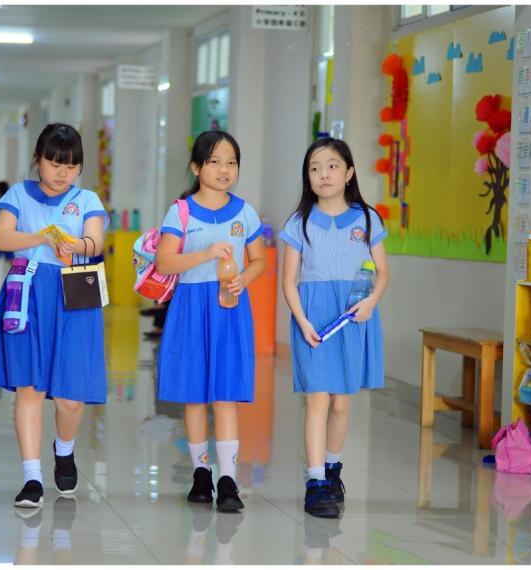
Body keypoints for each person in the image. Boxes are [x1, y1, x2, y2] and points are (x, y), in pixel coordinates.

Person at [0, 123, 109, 508]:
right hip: (26, 291)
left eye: (71, 165)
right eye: (54, 162)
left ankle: (65, 448)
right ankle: (31, 478)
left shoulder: (87, 199)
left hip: (75, 289)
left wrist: (75, 245)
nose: (62, 172)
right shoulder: (18, 195)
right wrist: (41, 237)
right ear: (38, 160)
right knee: (29, 387)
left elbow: (95, 241)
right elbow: (0, 238)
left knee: (70, 398)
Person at [154, 130, 266, 513]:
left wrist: (243, 279)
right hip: (190, 307)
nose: (224, 169)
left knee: (225, 394)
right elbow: (165, 262)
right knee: (194, 394)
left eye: (231, 162)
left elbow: (259, 260)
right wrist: (203, 254)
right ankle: (200, 473)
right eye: (215, 161)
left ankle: (228, 478)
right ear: (196, 167)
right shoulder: (180, 212)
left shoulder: (245, 212)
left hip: (229, 307)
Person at [279, 137, 389, 518]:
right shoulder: (299, 222)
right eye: (314, 168)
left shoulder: (368, 218)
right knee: (317, 398)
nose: (323, 174)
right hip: (313, 319)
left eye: (331, 166)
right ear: (307, 177)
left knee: (342, 402)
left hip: (353, 316)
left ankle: (332, 469)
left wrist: (371, 303)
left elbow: (382, 273)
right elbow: (289, 281)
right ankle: (314, 482)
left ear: (349, 173)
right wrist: (302, 319)